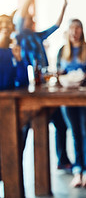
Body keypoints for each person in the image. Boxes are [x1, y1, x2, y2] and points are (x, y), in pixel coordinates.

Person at [13, 0, 71, 169]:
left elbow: (56, 26)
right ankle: (13, 166)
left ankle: (62, 160)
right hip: (29, 88)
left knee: (60, 124)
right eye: (30, 18)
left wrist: (64, 6)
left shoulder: (37, 36)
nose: (32, 20)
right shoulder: (20, 35)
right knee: (25, 128)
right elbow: (22, 13)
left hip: (44, 85)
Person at [57, 18, 86, 188]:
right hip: (67, 98)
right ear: (67, 32)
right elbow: (59, 72)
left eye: (77, 28)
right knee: (75, 134)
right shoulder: (62, 51)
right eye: (71, 28)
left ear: (82, 31)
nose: (74, 32)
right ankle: (78, 171)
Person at [0, 13, 29, 182]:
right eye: (1, 23)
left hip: (11, 109)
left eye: (8, 24)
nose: (5, 26)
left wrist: (19, 61)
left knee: (15, 152)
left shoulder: (14, 52)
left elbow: (23, 81)